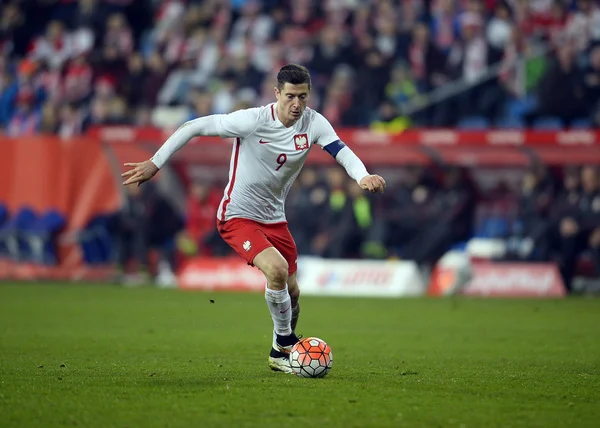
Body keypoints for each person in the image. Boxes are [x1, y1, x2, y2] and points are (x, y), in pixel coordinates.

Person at [121, 64, 386, 373]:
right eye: (290, 96)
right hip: (237, 216)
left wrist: (362, 175)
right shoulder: (252, 120)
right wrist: (155, 163)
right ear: (277, 93)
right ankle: (287, 345)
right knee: (276, 270)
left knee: (293, 291)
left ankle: (277, 351)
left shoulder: (314, 123)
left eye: (302, 96)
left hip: (275, 219)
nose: (296, 104)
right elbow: (193, 127)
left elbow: (341, 151)